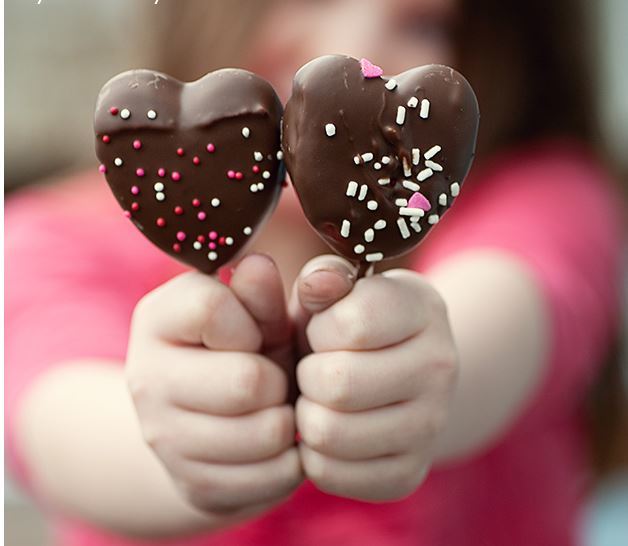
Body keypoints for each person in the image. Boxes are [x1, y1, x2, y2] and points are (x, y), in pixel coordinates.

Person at [5, 0, 624, 545]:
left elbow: (518, 302)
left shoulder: (544, 194)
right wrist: (167, 445)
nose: (353, 48)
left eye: (428, 22)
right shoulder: (50, 240)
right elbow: (53, 411)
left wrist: (431, 364)